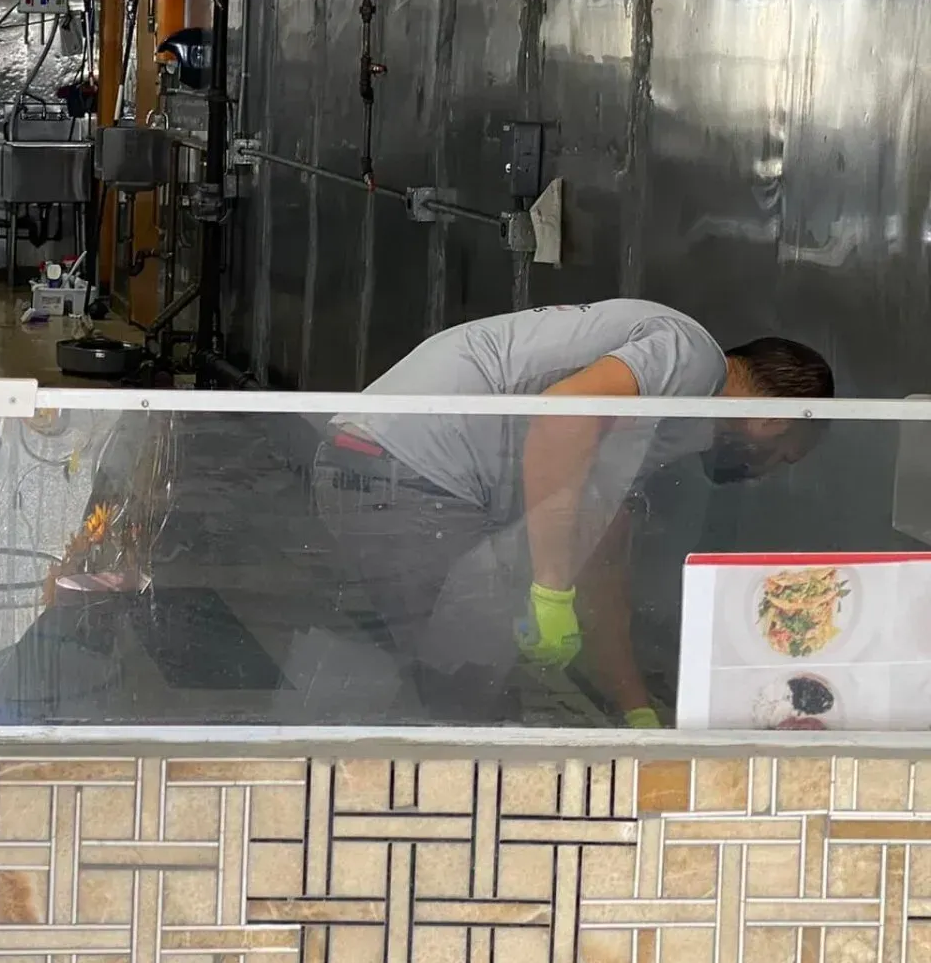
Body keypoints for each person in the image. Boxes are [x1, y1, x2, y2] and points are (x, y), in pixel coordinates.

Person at [312, 301, 833, 726]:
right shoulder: (694, 358)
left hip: (386, 465)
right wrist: (551, 589)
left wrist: (636, 712)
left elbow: (603, 559)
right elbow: (564, 414)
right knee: (467, 693)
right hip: (411, 469)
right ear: (773, 419)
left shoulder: (666, 417)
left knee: (457, 680)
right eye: (785, 455)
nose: (765, 473)